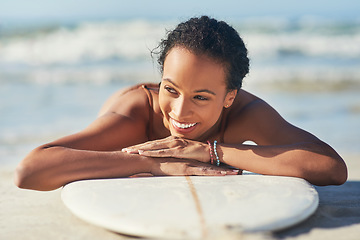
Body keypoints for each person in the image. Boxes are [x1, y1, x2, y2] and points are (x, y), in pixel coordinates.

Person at [15, 16, 347, 191]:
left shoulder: (245, 113)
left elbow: (331, 168)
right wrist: (152, 163)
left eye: (201, 97)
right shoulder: (138, 111)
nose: (179, 111)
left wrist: (211, 151)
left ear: (230, 97)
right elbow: (31, 171)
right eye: (171, 89)